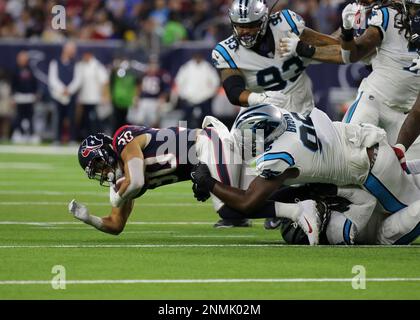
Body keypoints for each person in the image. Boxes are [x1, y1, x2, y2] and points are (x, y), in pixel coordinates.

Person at [191, 104, 420, 245]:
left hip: (372, 169)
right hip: (366, 147)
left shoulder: (280, 156)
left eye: (250, 139)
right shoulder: (283, 118)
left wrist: (209, 181)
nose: (246, 145)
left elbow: (248, 203)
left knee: (409, 211)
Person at [68, 117, 326, 240]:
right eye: (97, 173)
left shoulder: (123, 140)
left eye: (100, 165)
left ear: (108, 151)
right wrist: (89, 219)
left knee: (232, 206)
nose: (103, 173)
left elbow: (135, 182)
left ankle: (298, 210)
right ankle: (309, 191)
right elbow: (116, 225)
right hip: (204, 157)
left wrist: (119, 192)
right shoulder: (124, 179)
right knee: (246, 197)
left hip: (207, 144)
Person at [211, 0, 340, 228]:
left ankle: (289, 208)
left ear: (264, 20)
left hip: (300, 112)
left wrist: (302, 47)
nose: (245, 31)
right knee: (231, 164)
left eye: (250, 25)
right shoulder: (227, 50)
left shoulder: (287, 25)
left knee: (303, 170)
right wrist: (258, 98)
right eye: (240, 26)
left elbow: (334, 46)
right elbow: (233, 91)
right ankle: (246, 210)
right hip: (260, 115)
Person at [175, 52, 220, 129]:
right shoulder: (186, 67)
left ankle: (209, 136)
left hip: (204, 98)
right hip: (189, 98)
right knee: (185, 118)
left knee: (208, 118)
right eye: (196, 56)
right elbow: (179, 81)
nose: (197, 58)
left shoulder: (207, 67)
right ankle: (182, 136)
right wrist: (183, 95)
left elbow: (215, 82)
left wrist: (210, 94)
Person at [48, 41, 80, 144]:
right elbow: (52, 79)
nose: (73, 51)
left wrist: (69, 90)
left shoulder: (76, 63)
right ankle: (57, 139)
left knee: (71, 118)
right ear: (65, 49)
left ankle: (72, 139)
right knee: (58, 118)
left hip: (71, 95)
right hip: (58, 96)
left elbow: (78, 79)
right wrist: (62, 89)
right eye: (71, 49)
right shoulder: (55, 62)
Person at [76, 50, 109, 139]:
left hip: (95, 99)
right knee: (86, 120)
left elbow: (105, 81)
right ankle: (87, 138)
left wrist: (104, 96)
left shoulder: (97, 66)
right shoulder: (80, 65)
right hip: (84, 99)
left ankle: (98, 138)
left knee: (95, 120)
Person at [10, 51, 39, 143]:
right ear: (18, 59)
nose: (23, 60)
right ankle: (19, 133)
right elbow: (13, 85)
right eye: (21, 58)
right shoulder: (15, 70)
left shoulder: (30, 70)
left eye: (25, 58)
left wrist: (35, 93)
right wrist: (13, 97)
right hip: (19, 97)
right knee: (19, 116)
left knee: (30, 116)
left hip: (29, 97)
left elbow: (34, 83)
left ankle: (31, 134)